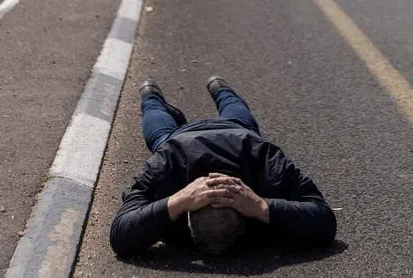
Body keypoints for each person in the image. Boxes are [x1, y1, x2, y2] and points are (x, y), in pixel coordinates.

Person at [109, 76, 337, 258]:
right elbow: (322, 220)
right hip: (215, 135)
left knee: (160, 135)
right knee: (163, 135)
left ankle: (162, 95)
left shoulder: (263, 161)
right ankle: (165, 93)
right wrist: (263, 207)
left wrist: (258, 205)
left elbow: (122, 234)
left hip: (215, 135)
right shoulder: (168, 164)